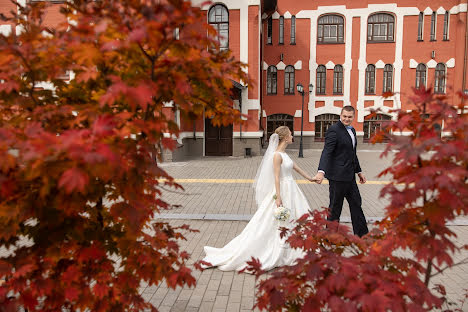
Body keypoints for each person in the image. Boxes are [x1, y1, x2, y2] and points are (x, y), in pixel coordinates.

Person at [202, 126, 316, 271]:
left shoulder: (285, 154)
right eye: (290, 134)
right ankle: (276, 249)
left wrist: (311, 179)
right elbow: (276, 177)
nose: (292, 136)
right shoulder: (277, 156)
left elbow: (297, 168)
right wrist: (278, 197)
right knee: (274, 222)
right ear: (285, 137)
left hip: (293, 190)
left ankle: (298, 249)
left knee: (297, 216)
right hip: (283, 190)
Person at [312, 106, 369, 237]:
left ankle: (362, 235)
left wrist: (359, 172)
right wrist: (321, 171)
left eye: (349, 117)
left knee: (356, 204)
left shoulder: (352, 131)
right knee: (335, 208)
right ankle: (330, 236)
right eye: (344, 116)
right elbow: (327, 152)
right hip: (337, 178)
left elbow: (352, 154)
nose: (347, 119)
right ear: (340, 115)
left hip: (350, 177)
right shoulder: (334, 130)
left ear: (353, 117)